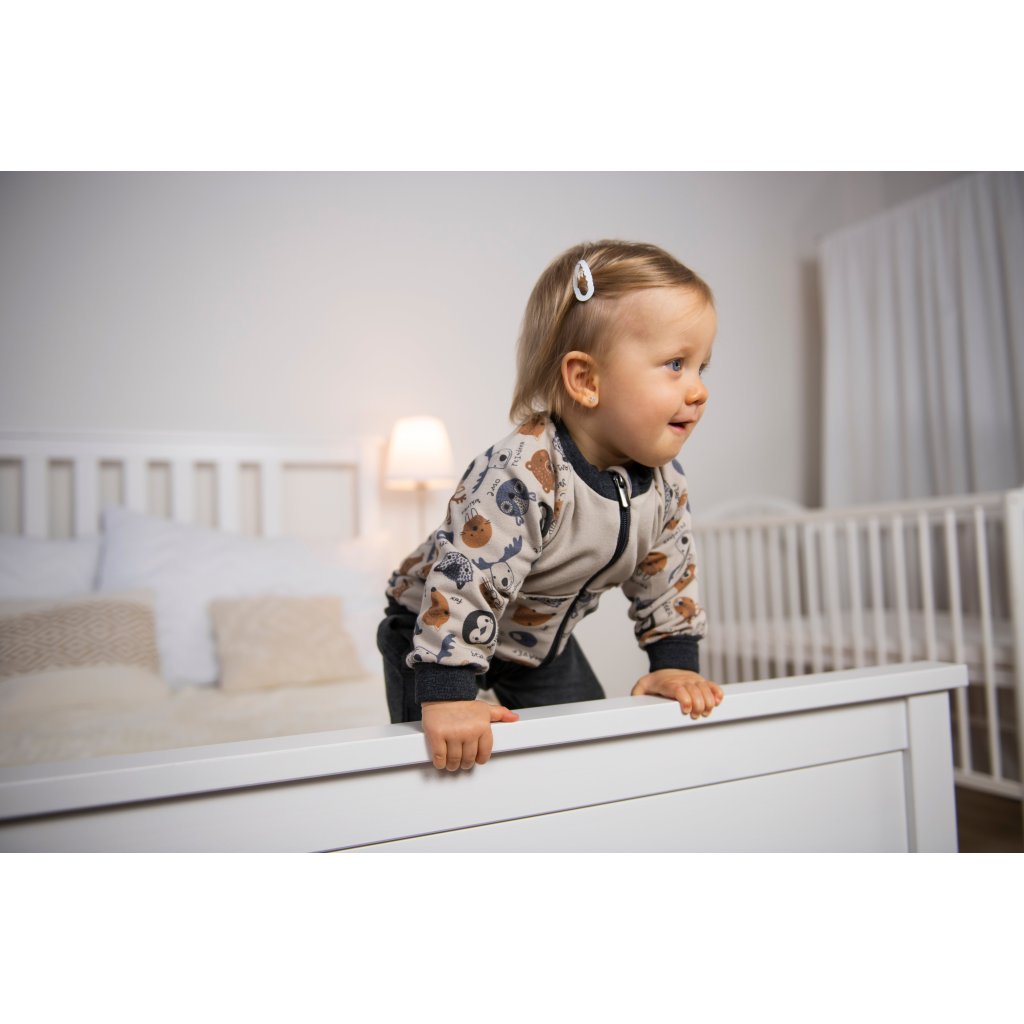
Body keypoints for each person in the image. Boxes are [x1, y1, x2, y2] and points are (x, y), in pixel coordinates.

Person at [377, 239, 724, 772]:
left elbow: (669, 574)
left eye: (702, 366)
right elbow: (466, 576)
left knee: (588, 756)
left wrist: (673, 663)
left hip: (535, 648)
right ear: (586, 380)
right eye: (675, 364)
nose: (698, 390)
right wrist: (448, 692)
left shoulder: (664, 487)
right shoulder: (522, 472)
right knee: (437, 762)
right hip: (432, 634)